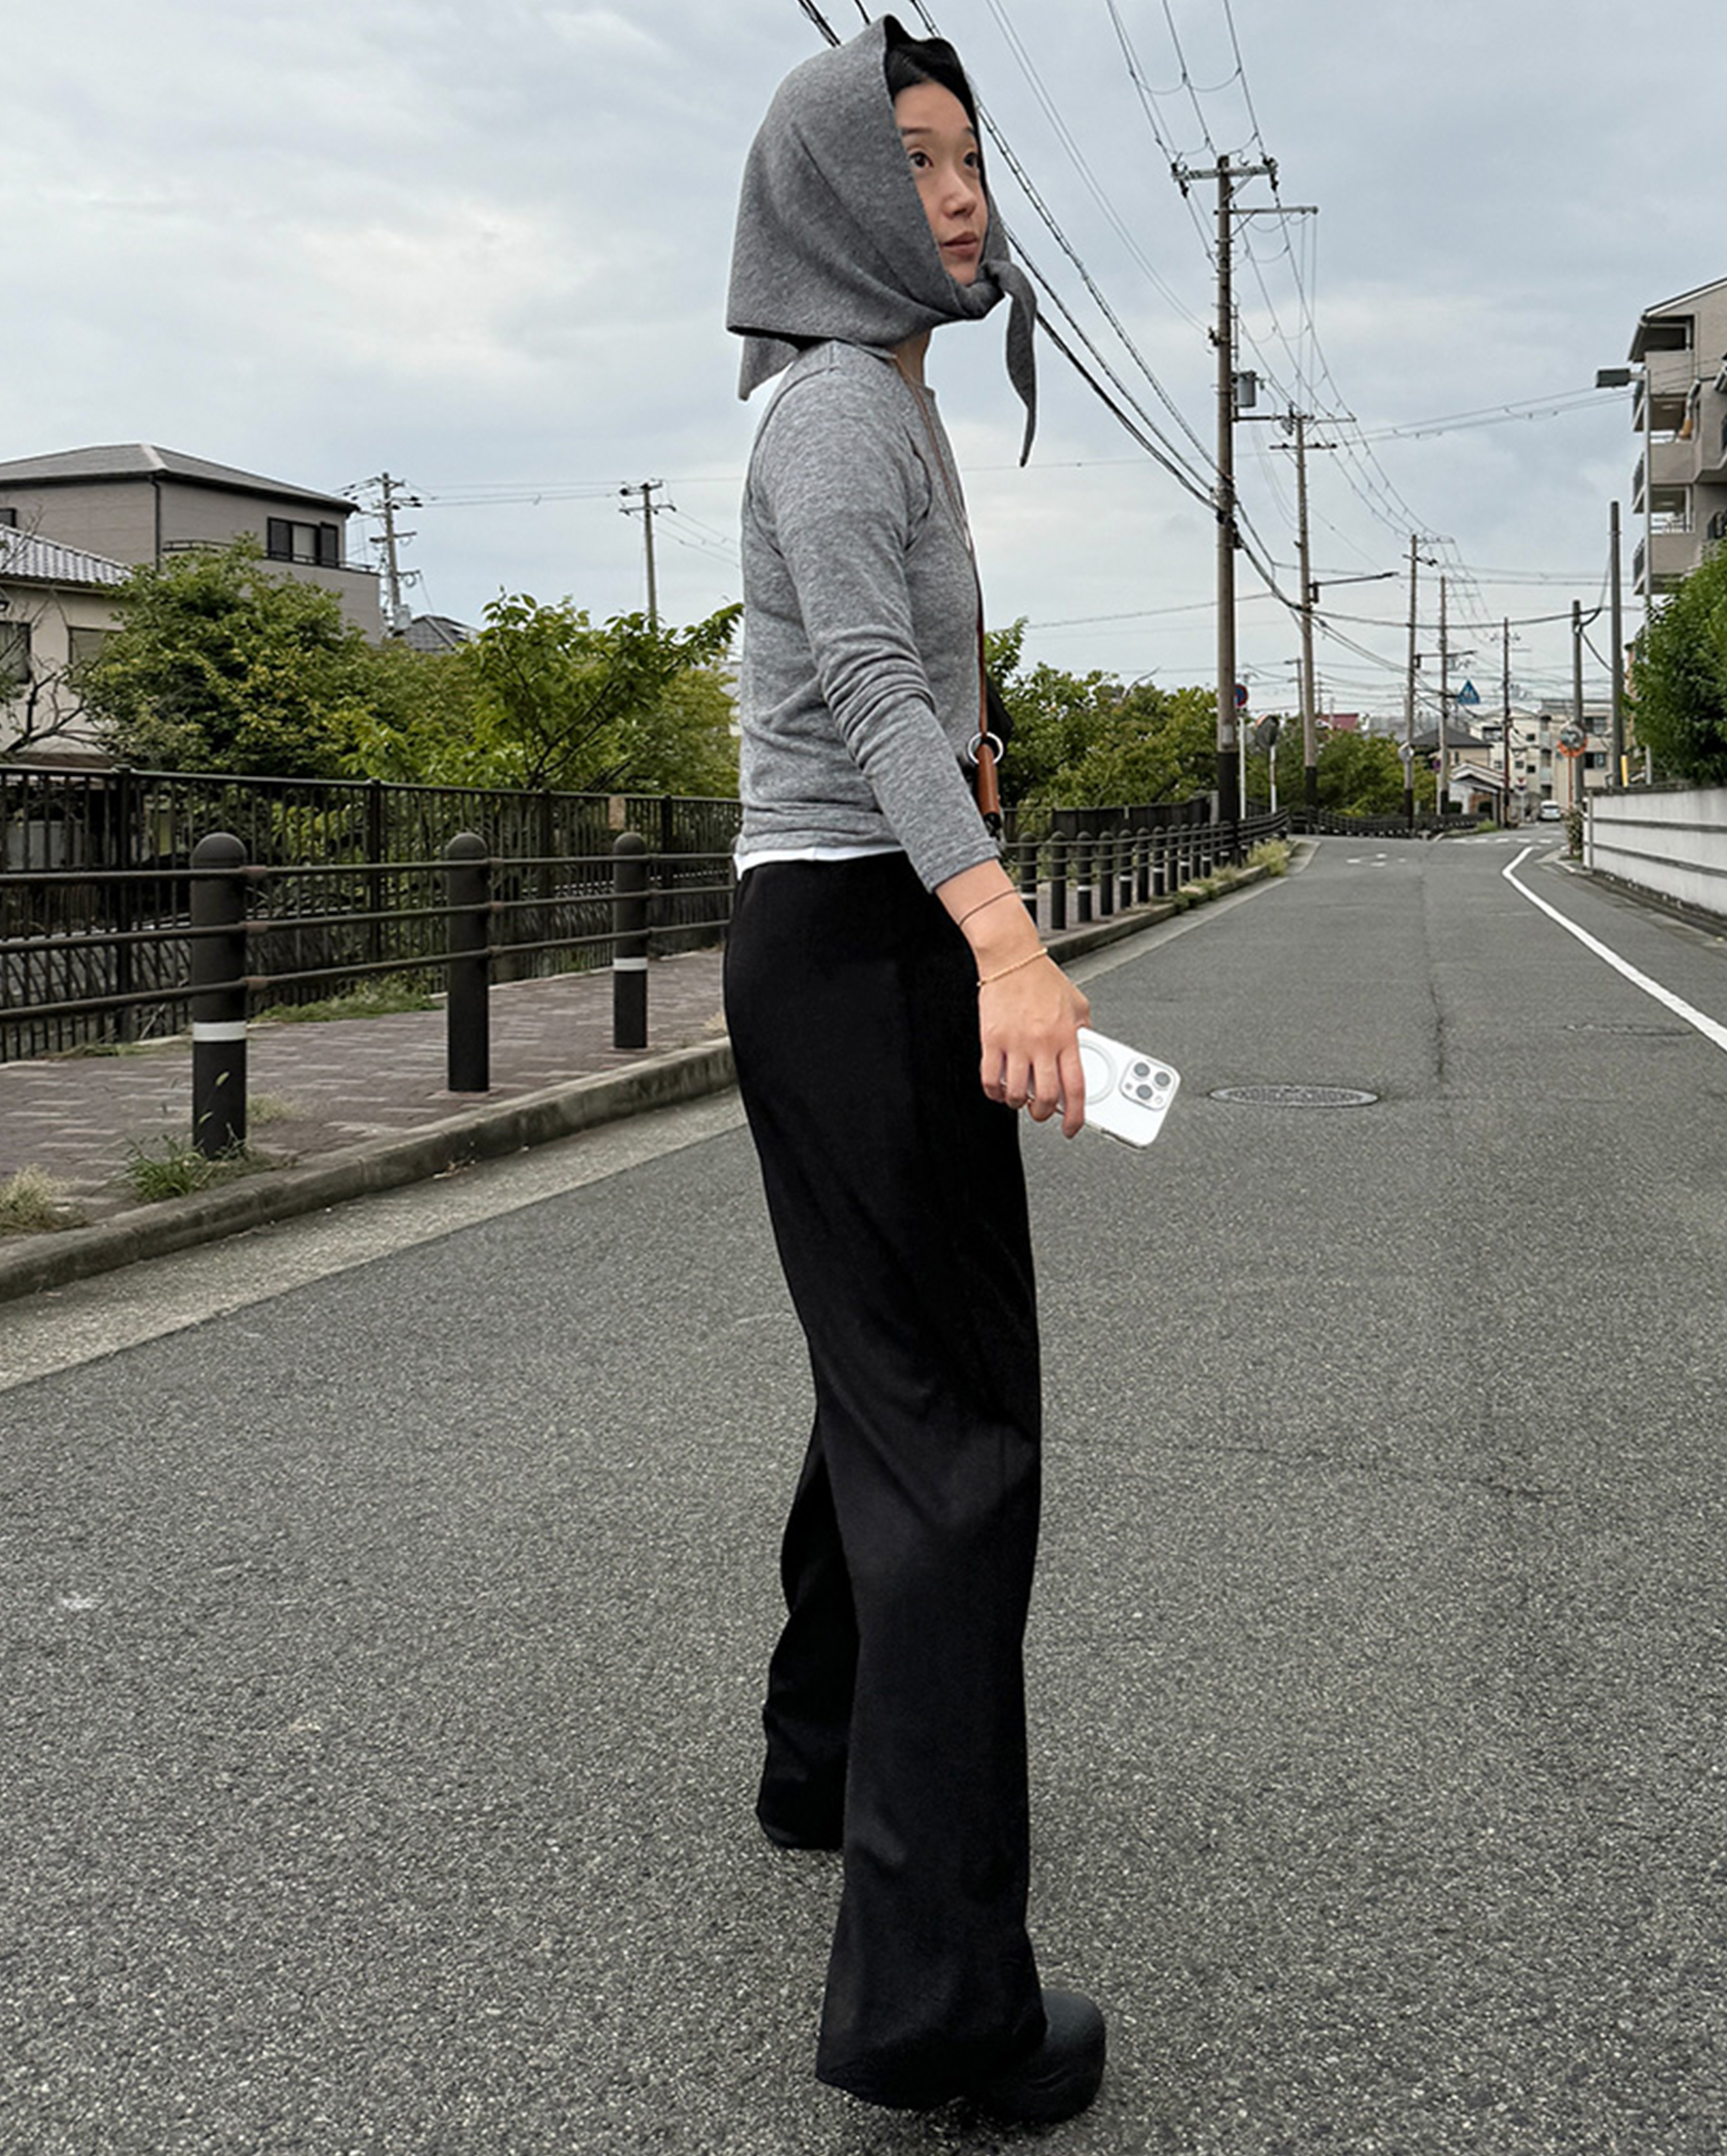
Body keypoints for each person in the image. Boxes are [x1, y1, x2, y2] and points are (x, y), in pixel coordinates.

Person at [723, 13, 1105, 2125]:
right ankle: (938, 2010)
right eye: (918, 163)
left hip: (848, 938)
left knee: (883, 1379)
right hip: (866, 943)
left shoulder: (876, 395)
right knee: (957, 1442)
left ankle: (820, 1757)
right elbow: (868, 681)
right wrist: (1006, 935)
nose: (959, 199)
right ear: (836, 197)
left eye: (969, 160)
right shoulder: (837, 417)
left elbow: (902, 689)